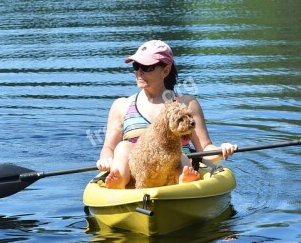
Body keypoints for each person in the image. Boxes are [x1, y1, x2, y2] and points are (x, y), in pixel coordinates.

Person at [96, 39, 237, 189]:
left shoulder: (186, 104)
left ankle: (184, 179)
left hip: (175, 169)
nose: (139, 72)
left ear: (166, 70)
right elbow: (109, 148)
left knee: (178, 154)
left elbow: (204, 148)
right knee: (123, 147)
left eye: (146, 67)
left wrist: (222, 150)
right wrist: (106, 159)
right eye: (136, 66)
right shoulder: (121, 106)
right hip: (136, 172)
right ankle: (120, 181)